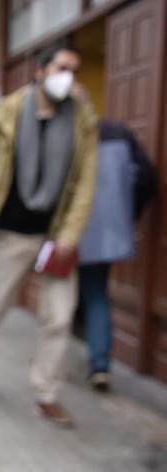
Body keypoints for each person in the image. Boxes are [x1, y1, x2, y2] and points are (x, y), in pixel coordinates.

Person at [0, 41, 99, 427]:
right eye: (62, 68)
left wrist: (69, 234)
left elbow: (84, 184)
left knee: (60, 318)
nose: (69, 77)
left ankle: (47, 393)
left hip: (54, 238)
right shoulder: (8, 114)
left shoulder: (82, 121)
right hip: (11, 234)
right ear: (40, 71)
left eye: (74, 71)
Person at [78, 119, 155, 391]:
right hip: (106, 231)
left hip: (69, 232)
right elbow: (146, 175)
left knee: (63, 294)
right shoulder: (118, 133)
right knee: (96, 293)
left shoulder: (67, 132)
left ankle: (50, 359)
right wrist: (125, 213)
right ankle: (100, 364)